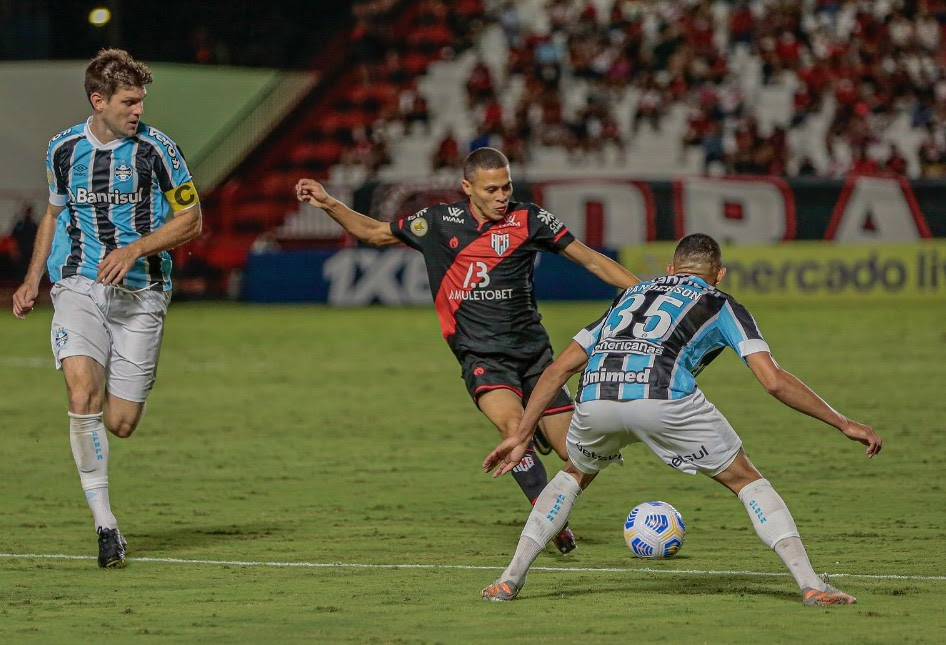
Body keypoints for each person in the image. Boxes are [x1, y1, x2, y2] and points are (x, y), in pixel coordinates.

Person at [481, 233, 882, 605]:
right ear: (719, 274)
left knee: (573, 474)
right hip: (663, 398)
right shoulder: (720, 303)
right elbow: (774, 382)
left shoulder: (631, 295)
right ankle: (811, 585)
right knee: (746, 480)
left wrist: (522, 435)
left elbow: (557, 370)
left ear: (671, 269)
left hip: (596, 397)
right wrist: (842, 422)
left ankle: (509, 579)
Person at [296, 147, 639, 554]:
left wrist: (649, 292)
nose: (502, 196)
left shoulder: (529, 219)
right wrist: (329, 203)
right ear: (467, 188)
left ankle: (544, 456)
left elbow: (591, 260)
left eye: (506, 187)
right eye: (491, 189)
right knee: (512, 431)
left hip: (535, 359)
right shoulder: (438, 223)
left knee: (579, 453)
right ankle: (551, 518)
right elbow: (375, 233)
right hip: (483, 358)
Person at [11, 49, 202, 568]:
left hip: (142, 294)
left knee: (120, 422)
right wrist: (32, 279)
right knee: (81, 393)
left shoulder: (159, 150)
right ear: (99, 101)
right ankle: (105, 526)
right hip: (78, 284)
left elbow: (192, 219)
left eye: (141, 101)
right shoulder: (63, 149)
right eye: (128, 102)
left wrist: (135, 249)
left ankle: (106, 512)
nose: (138, 110)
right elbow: (54, 214)